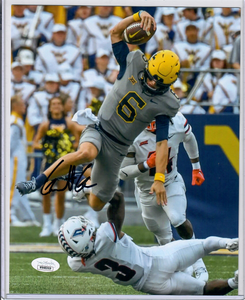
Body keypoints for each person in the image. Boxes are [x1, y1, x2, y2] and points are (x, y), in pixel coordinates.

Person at [16, 10, 181, 213]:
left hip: (119, 148)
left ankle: (83, 188)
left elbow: (162, 143)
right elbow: (115, 33)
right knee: (86, 153)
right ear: (148, 66)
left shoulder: (166, 103)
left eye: (158, 82)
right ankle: (36, 182)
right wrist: (137, 16)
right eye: (150, 76)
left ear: (169, 83)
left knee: (96, 204)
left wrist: (160, 178)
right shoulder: (134, 63)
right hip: (100, 128)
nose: (151, 82)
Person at [58, 192, 238, 295]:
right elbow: (118, 198)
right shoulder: (105, 236)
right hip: (159, 260)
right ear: (88, 236)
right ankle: (229, 243)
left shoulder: (77, 264)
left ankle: (234, 283)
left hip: (149, 286)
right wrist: (92, 193)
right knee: (205, 245)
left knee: (202, 291)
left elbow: (78, 255)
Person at [119, 111, 207, 280]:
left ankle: (199, 264)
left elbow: (190, 138)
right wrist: (146, 164)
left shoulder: (176, 121)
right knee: (164, 237)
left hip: (170, 181)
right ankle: (183, 269)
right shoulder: (131, 132)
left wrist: (196, 166)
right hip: (146, 190)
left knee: (177, 219)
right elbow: (123, 173)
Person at [32, 96, 80, 236]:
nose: (57, 106)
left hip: (64, 164)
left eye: (59, 103)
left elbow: (77, 141)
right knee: (46, 193)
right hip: (49, 163)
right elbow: (35, 142)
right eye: (54, 104)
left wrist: (66, 145)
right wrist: (47, 145)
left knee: (60, 194)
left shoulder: (69, 124)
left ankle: (58, 223)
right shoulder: (45, 125)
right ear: (50, 107)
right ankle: (46, 224)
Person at [10, 95, 40, 227]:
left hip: (19, 161)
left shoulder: (18, 121)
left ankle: (27, 216)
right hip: (14, 161)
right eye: (22, 104)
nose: (24, 106)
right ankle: (9, 215)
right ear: (15, 106)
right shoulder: (14, 121)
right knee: (14, 187)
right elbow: (9, 145)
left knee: (21, 188)